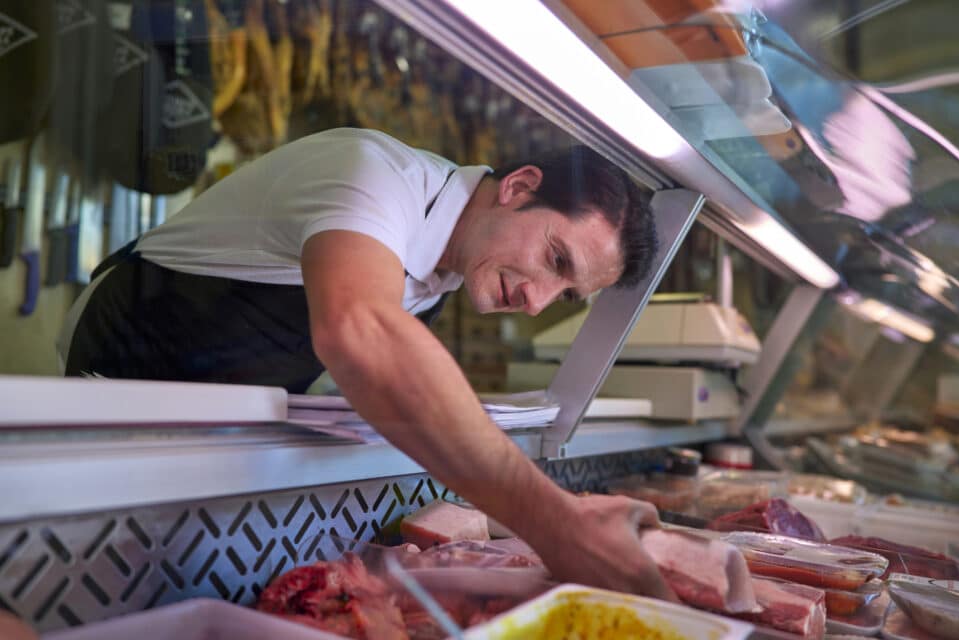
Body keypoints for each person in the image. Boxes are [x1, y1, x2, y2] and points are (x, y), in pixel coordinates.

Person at [57, 127, 674, 599]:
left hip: (215, 445)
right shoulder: (380, 178)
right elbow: (357, 330)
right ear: (517, 188)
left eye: (565, 295)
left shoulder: (449, 265)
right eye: (556, 260)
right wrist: (553, 522)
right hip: (115, 397)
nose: (537, 301)